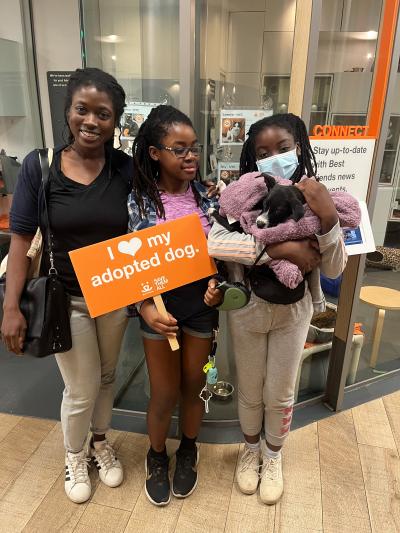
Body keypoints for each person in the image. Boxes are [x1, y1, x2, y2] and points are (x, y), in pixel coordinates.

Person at [1, 68, 132, 504]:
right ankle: (74, 455)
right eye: (83, 109)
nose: (91, 121)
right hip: (67, 298)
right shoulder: (41, 167)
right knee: (81, 387)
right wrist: (11, 307)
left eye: (104, 113)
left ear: (116, 122)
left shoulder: (125, 170)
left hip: (114, 295)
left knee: (108, 376)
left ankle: (99, 443)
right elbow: (21, 240)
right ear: (68, 111)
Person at [208, 113, 347, 505]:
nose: (274, 157)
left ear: (299, 147)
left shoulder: (319, 196)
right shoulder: (243, 195)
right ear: (252, 157)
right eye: (263, 152)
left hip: (294, 312)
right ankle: (250, 449)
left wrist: (330, 218)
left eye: (283, 149)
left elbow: (334, 267)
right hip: (248, 309)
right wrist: (280, 247)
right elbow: (215, 243)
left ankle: (273, 455)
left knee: (281, 392)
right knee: (250, 389)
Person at [128, 105, 221, 506]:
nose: (190, 157)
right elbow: (130, 265)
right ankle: (157, 456)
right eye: (178, 149)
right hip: (159, 308)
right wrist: (145, 307)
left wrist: (218, 281)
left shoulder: (207, 195)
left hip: (202, 303)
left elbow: (222, 249)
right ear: (154, 153)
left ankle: (188, 449)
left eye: (194, 149)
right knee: (163, 393)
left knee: (194, 385)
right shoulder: (139, 201)